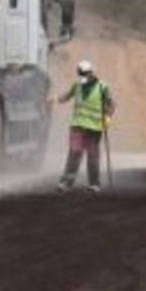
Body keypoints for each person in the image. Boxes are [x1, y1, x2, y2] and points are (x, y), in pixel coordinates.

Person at [50, 60, 115, 193]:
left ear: (91, 73)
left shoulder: (102, 87)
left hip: (94, 128)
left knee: (92, 156)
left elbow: (111, 104)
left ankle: (94, 184)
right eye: (81, 74)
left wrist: (108, 117)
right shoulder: (77, 85)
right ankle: (66, 183)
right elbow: (66, 96)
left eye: (85, 74)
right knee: (74, 154)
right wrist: (55, 99)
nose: (83, 76)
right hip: (77, 126)